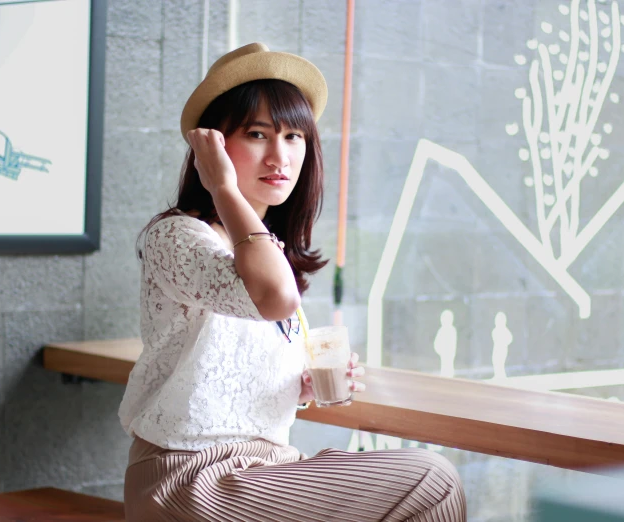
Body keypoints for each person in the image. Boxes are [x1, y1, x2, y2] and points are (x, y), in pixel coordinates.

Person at [118, 42, 466, 522]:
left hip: (262, 471)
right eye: (258, 134)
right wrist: (221, 186)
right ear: (213, 146)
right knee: (431, 480)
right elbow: (274, 297)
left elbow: (233, 358)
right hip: (190, 477)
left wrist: (297, 385)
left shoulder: (269, 251)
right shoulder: (177, 236)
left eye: (294, 136)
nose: (279, 156)